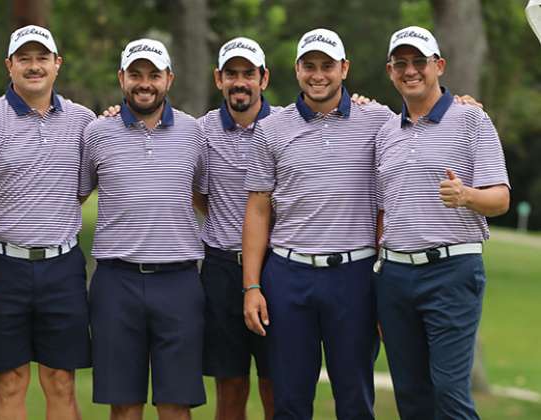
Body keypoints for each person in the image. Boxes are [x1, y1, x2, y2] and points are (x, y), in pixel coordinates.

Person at [242, 28, 393, 420]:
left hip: (355, 276)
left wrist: (465, 104)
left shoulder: (378, 120)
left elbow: (422, 121)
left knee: (355, 399)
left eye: (328, 66)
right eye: (310, 66)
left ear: (344, 68)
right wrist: (252, 286)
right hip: (288, 275)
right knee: (289, 401)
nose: (318, 74)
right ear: (297, 70)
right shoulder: (271, 128)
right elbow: (258, 209)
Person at [0, 25, 94, 420]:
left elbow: (80, 190)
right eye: (25, 59)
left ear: (57, 64)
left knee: (60, 380)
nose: (34, 67)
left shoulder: (84, 122)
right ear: (9, 66)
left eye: (42, 58)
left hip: (62, 266)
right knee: (11, 380)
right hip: (1, 267)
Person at [374, 26, 510, 420]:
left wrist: (466, 196)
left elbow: (500, 198)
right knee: (411, 397)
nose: (410, 70)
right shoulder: (385, 133)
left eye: (420, 62)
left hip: (451, 271)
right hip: (395, 276)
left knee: (449, 393)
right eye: (401, 64)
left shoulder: (472, 120)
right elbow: (383, 211)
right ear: (390, 71)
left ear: (440, 66)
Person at [80, 38, 207, 420]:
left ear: (169, 79)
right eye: (136, 74)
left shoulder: (193, 132)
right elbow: (75, 194)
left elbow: (202, 195)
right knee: (125, 405)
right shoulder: (97, 133)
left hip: (179, 281)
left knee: (176, 404)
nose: (145, 82)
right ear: (122, 78)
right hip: (117, 281)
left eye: (154, 74)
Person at [198, 36, 277, 420]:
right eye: (232, 73)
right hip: (221, 268)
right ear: (219, 78)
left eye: (248, 73)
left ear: (264, 78)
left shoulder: (284, 126)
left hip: (276, 267)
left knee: (275, 382)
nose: (240, 82)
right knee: (229, 387)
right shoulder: (200, 132)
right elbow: (199, 196)